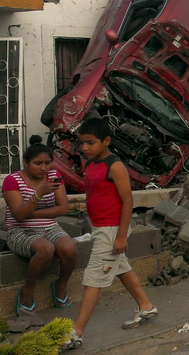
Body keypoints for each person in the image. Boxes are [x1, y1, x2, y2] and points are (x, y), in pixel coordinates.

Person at [63, 118, 157, 350]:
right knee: (121, 268)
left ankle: (76, 332)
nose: (85, 148)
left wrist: (121, 236)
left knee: (93, 279)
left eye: (90, 143)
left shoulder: (114, 166)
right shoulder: (91, 164)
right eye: (82, 143)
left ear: (106, 141)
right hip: (100, 228)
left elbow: (127, 201)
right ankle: (146, 306)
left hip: (111, 229)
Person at [2, 136, 78, 316]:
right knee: (46, 249)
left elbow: (62, 208)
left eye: (47, 163)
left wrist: (31, 213)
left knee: (70, 249)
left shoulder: (54, 176)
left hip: (49, 227)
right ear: (26, 163)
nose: (43, 168)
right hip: (19, 230)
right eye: (37, 163)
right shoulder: (12, 180)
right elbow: (19, 215)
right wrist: (39, 193)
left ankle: (61, 285)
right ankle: (27, 291)